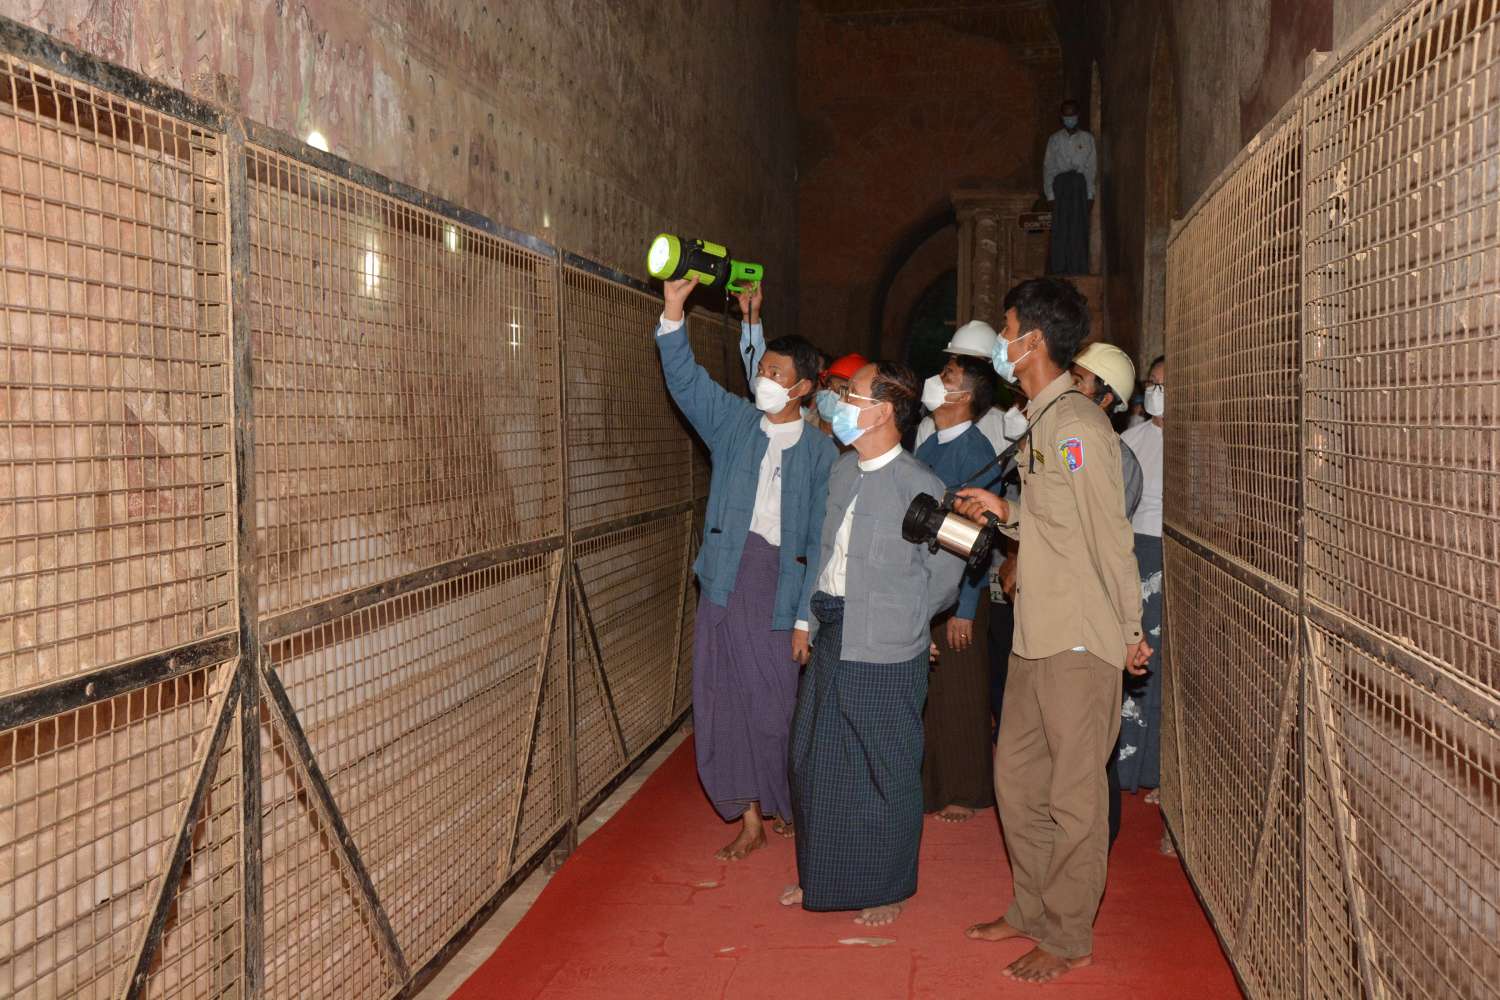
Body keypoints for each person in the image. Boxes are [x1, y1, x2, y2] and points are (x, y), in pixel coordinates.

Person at [953, 277, 1149, 984]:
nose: (1000, 342)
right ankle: (1033, 908)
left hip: (1079, 638)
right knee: (1016, 780)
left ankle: (1068, 936)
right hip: (1036, 633)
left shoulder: (1076, 429)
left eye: (1007, 330)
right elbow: (1055, 522)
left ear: (1033, 340)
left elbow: (1108, 534)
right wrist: (1004, 514)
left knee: (1073, 795)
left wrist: (1131, 629)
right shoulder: (1044, 418)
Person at [656, 275, 837, 860]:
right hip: (724, 578)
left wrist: (806, 619)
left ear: (803, 388)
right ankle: (750, 817)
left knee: (775, 706)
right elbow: (686, 382)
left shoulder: (821, 455)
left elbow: (820, 544)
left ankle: (786, 797)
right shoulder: (733, 423)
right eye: (762, 370)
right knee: (721, 699)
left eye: (776, 374)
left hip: (778, 589)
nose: (764, 379)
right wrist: (674, 311)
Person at [783, 361, 965, 927]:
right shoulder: (842, 471)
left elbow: (947, 574)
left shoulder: (922, 485)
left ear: (883, 411)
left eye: (852, 396)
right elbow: (824, 553)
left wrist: (907, 623)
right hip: (834, 630)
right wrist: (805, 621)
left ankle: (887, 886)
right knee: (816, 759)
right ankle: (823, 873)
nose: (838, 404)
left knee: (884, 767)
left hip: (887, 647)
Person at [915, 354, 1003, 823]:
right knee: (932, 691)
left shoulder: (975, 451)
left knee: (962, 692)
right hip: (927, 584)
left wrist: (966, 608)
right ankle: (932, 784)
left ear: (964, 396)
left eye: (946, 376)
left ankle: (965, 789)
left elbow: (980, 538)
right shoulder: (930, 443)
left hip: (959, 590)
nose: (935, 380)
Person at [1070, 341, 1145, 847]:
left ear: (1105, 397)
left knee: (1091, 735)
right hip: (1064, 604)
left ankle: (1099, 834)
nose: (1068, 388)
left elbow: (1106, 539)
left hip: (1092, 606)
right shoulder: (1067, 441)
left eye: (1079, 382)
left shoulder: (1118, 458)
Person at [1117, 356, 1166, 805]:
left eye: (1164, 385)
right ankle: (1124, 764)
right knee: (1132, 653)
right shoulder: (1129, 439)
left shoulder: (1203, 442)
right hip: (1135, 555)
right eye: (1152, 383)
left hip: (1180, 561)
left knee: (1169, 665)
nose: (1156, 391)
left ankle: (1162, 768)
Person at [913, 320, 1009, 453]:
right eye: (954, 358)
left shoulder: (1005, 427)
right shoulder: (928, 426)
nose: (958, 364)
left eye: (968, 362)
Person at [1043, 100, 1097, 276]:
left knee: (1078, 228)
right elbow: (1048, 167)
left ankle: (1077, 268)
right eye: (1066, 115)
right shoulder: (1054, 140)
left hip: (1079, 187)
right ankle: (1059, 269)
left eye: (1072, 115)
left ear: (1078, 115)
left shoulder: (1087, 139)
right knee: (1060, 228)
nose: (1069, 118)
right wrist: (1050, 195)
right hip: (1060, 186)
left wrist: (1090, 194)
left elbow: (1091, 168)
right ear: (1061, 117)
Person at [813, 352, 870, 442]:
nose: (831, 394)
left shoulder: (863, 443)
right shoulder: (806, 429)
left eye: (841, 390)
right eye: (829, 386)